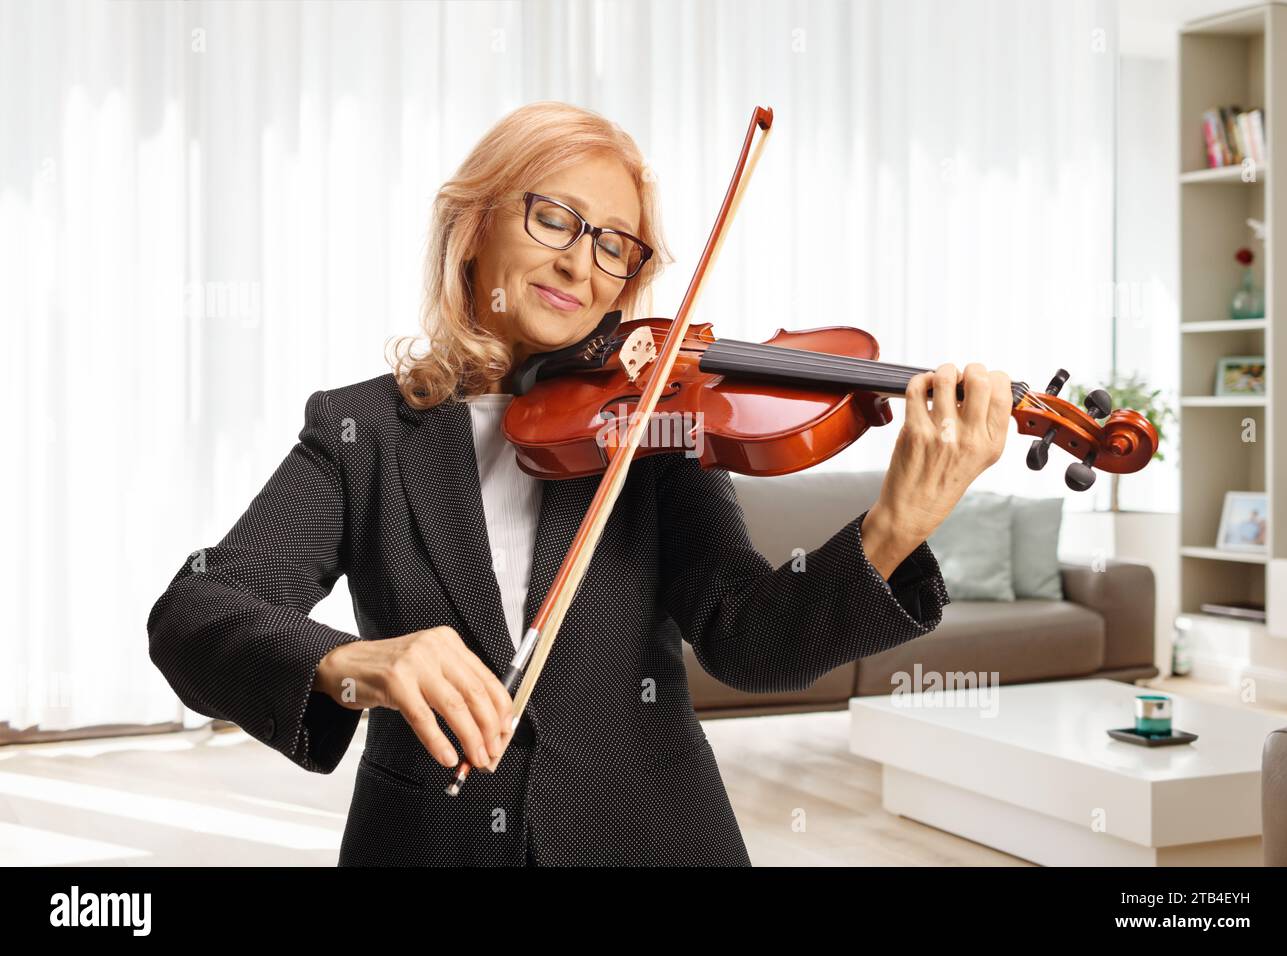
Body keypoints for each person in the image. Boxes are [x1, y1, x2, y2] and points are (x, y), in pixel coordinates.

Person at [147, 100, 1012, 867]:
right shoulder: (362, 432)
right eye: (554, 219)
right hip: (428, 841)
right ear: (475, 225)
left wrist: (892, 529)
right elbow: (196, 610)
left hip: (647, 833)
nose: (579, 264)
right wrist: (352, 663)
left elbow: (749, 638)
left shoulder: (653, 429)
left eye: (612, 246)